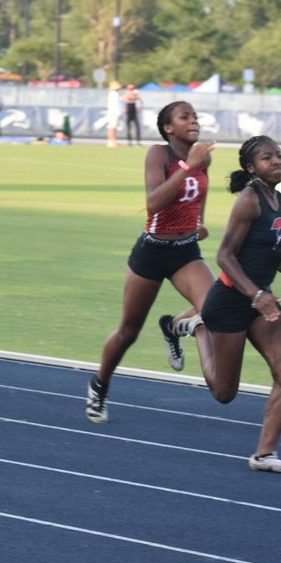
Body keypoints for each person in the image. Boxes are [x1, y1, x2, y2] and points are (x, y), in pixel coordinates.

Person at [168, 136, 281, 473]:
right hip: (231, 300)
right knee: (224, 392)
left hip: (261, 303)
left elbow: (278, 261)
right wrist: (257, 296)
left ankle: (264, 455)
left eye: (279, 156)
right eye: (266, 158)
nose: (276, 161)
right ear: (251, 167)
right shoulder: (249, 201)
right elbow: (225, 256)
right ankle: (199, 327)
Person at [86, 100, 216, 424]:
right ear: (169, 128)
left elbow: (198, 192)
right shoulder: (159, 154)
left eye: (195, 116)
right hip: (153, 251)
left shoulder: (203, 156)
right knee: (128, 332)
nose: (194, 120)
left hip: (185, 251)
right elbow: (154, 202)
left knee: (217, 308)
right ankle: (99, 385)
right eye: (185, 116)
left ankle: (174, 326)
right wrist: (189, 165)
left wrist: (197, 221)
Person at [105, 80, 122, 147]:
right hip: (114, 112)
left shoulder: (112, 93)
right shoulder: (114, 93)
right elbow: (116, 105)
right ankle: (111, 141)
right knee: (113, 127)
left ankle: (113, 141)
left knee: (113, 127)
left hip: (112, 112)